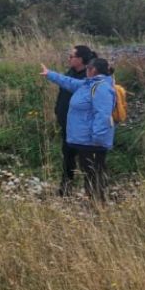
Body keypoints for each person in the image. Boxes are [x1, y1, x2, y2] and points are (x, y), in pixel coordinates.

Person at [40, 57, 116, 203]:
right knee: (90, 173)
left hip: (92, 142)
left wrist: (97, 140)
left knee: (93, 174)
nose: (86, 70)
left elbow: (103, 115)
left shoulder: (101, 88)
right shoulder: (88, 85)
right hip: (85, 140)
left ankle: (98, 207)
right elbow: (69, 82)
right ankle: (96, 205)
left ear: (93, 70)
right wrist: (50, 74)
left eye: (88, 68)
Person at [52, 44, 96, 195]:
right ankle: (65, 187)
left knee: (86, 159)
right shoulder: (70, 72)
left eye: (72, 56)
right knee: (68, 156)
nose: (69, 59)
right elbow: (62, 92)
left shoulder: (89, 77)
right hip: (66, 124)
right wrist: (57, 110)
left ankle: (91, 191)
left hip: (82, 127)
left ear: (81, 59)